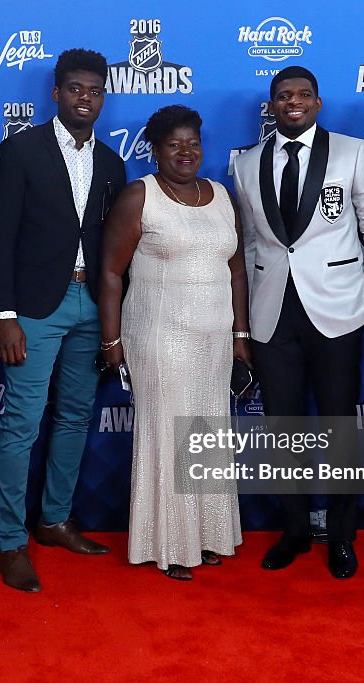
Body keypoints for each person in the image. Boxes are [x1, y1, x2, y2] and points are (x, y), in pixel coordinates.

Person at [232, 66, 364, 579]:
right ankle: (295, 530)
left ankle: (342, 536)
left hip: (339, 311)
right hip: (272, 316)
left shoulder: (351, 154)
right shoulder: (246, 164)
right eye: (283, 96)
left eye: (302, 95)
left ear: (318, 103)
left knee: (338, 428)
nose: (292, 102)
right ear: (271, 106)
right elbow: (254, 244)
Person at [0, 48, 126, 592]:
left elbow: (116, 251)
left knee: (74, 417)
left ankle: (54, 520)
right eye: (74, 89)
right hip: (32, 309)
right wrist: (4, 314)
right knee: (20, 424)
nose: (84, 98)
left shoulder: (113, 164)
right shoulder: (21, 150)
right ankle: (9, 541)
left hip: (90, 306)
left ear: (102, 96)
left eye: (94, 90)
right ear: (56, 93)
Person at [98, 105, 248, 580]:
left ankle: (205, 536)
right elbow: (109, 272)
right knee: (170, 437)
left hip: (214, 340)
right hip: (161, 337)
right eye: (173, 144)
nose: (186, 152)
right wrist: (111, 341)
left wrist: (240, 336)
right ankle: (169, 545)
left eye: (193, 143)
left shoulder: (222, 195)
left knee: (206, 435)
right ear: (155, 150)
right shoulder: (139, 196)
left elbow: (237, 269)